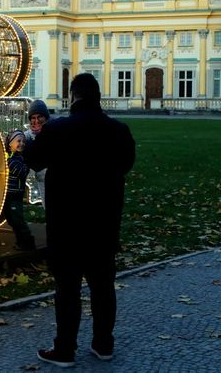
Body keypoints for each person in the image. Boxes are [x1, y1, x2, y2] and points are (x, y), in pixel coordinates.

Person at [24, 73, 135, 368]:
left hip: (67, 225)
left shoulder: (58, 129)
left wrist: (25, 143)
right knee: (103, 285)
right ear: (97, 96)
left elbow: (33, 160)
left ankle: (65, 349)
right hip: (104, 222)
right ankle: (103, 343)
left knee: (68, 289)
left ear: (73, 96)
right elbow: (126, 165)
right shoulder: (119, 131)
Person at [2, 129, 36, 251]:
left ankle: (28, 242)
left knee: (18, 220)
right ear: (10, 144)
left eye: (23, 141)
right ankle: (20, 241)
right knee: (11, 219)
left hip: (16, 194)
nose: (21, 143)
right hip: (7, 194)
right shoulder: (9, 157)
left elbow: (21, 172)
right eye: (18, 141)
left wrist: (13, 165)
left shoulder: (17, 159)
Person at [24, 99, 50, 207]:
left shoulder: (53, 132)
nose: (36, 120)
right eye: (33, 118)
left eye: (40, 117)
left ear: (46, 118)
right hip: (38, 180)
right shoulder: (26, 137)